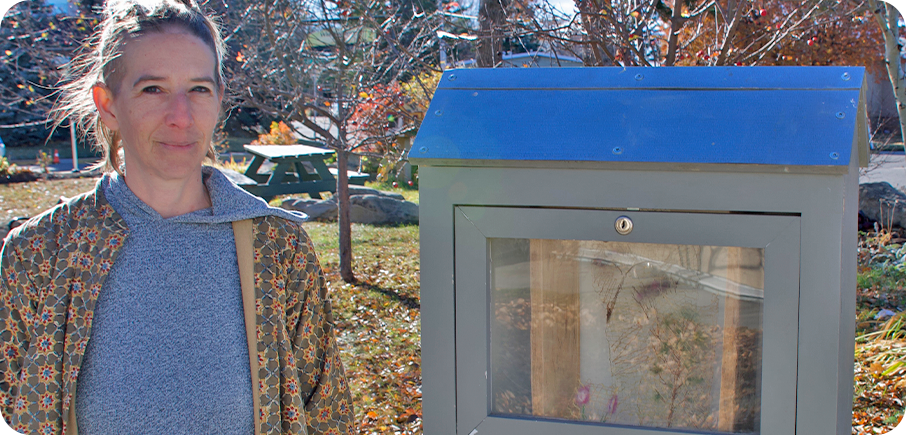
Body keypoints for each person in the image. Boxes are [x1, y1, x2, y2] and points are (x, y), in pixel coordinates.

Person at [0, 0, 354, 434]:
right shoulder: (39, 254)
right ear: (108, 105)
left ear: (219, 99)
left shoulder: (277, 248)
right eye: (154, 89)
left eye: (199, 90)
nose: (181, 116)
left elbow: (327, 413)